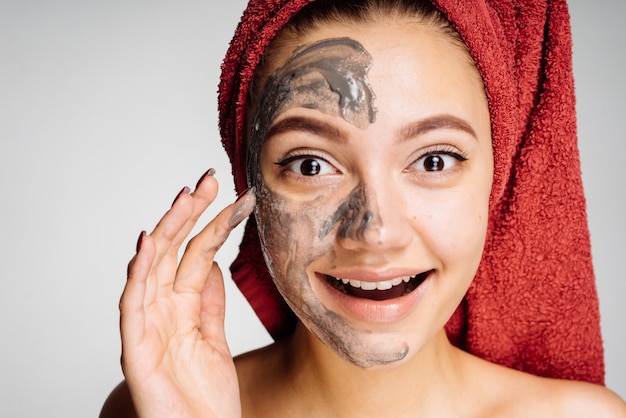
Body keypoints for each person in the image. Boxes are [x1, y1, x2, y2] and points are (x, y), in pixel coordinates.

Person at [101, 0, 626, 416]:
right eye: (311, 165)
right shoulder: (155, 408)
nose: (375, 233)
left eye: (435, 160)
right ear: (251, 185)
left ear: (499, 176)